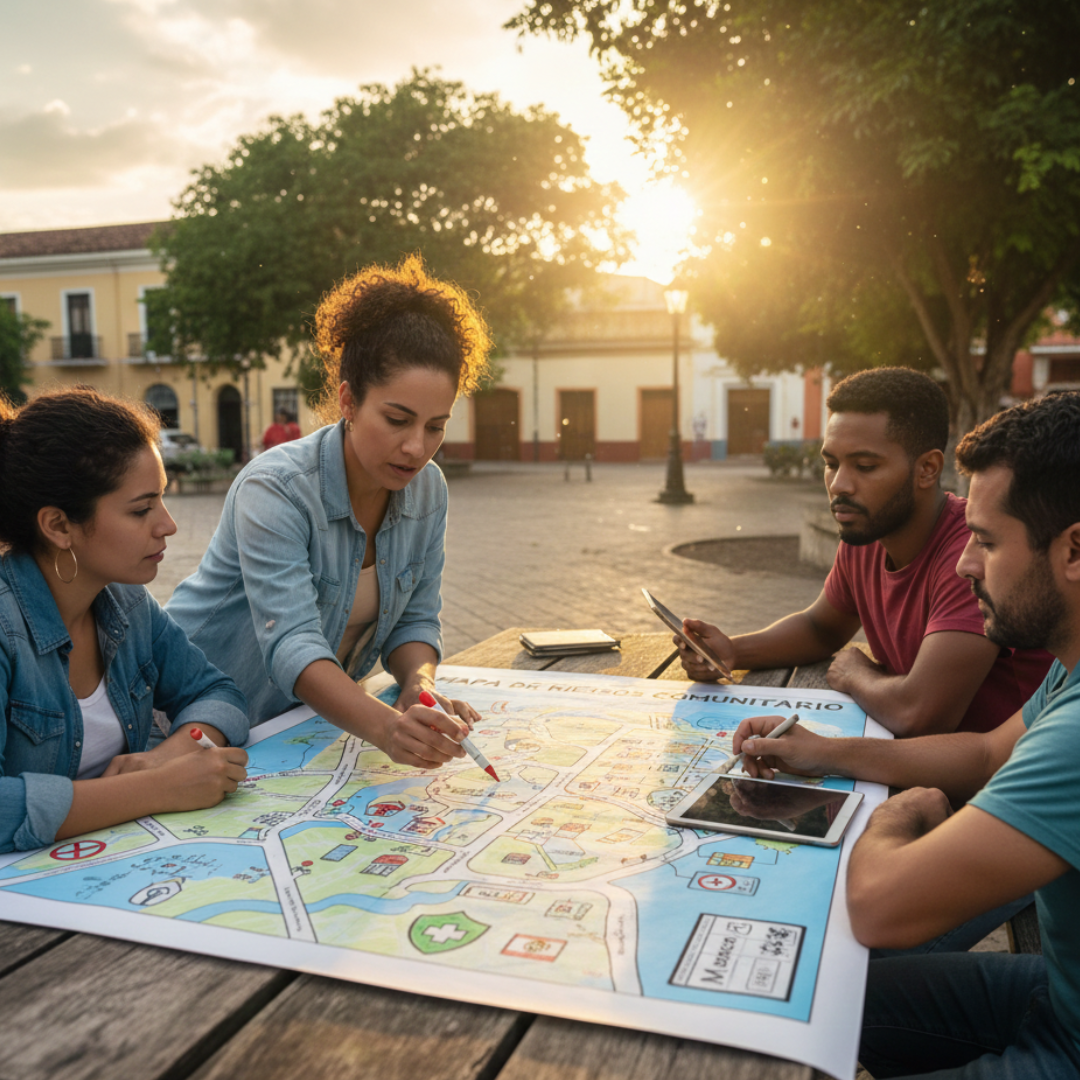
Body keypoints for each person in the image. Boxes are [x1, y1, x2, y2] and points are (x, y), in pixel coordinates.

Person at [732, 391, 1080, 1077]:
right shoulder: (1070, 666)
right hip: (1055, 995)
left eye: (985, 541)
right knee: (814, 1000)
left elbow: (878, 908)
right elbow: (984, 751)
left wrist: (898, 811)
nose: (964, 565)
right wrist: (824, 752)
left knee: (831, 960)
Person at [167, 255, 489, 769]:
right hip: (191, 722)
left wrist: (417, 688)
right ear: (347, 400)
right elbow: (293, 642)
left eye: (435, 426)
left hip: (297, 730)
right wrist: (388, 729)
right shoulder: (276, 488)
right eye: (397, 419)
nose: (415, 446)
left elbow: (416, 620)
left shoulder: (429, 490)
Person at [677, 367, 1052, 736]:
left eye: (865, 466)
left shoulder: (973, 555)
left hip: (1002, 780)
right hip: (913, 764)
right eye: (830, 463)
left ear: (927, 469)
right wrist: (731, 651)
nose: (839, 484)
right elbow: (820, 628)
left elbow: (919, 714)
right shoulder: (867, 532)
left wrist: (857, 675)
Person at [0, 387, 249, 854]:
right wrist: (156, 789)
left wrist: (167, 757)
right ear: (58, 526)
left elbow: (220, 693)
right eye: (142, 509)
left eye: (163, 500)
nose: (169, 525)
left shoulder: (126, 602)